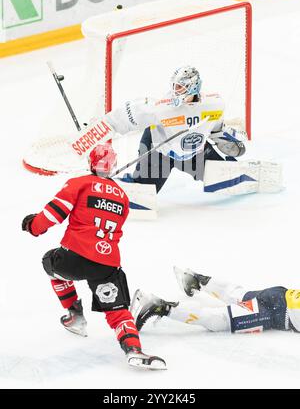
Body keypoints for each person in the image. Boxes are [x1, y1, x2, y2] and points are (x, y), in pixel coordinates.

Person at [22, 143, 166, 370]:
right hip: (106, 264)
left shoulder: (79, 183)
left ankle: (75, 315)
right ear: (113, 166)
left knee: (50, 263)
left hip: (73, 258)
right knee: (118, 313)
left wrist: (33, 226)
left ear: (91, 163)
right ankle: (134, 350)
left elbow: (54, 212)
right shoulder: (122, 196)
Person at [75, 65, 247, 194]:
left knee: (226, 177)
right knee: (143, 193)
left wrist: (224, 139)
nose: (175, 91)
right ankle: (119, 185)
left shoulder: (214, 104)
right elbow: (117, 120)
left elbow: (215, 127)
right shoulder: (160, 108)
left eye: (180, 87)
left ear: (194, 87)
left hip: (195, 152)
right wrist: (93, 132)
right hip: (160, 151)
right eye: (174, 86)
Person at [130, 266, 300, 334]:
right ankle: (159, 306)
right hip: (278, 311)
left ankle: (197, 280)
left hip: (282, 295)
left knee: (239, 294)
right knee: (220, 320)